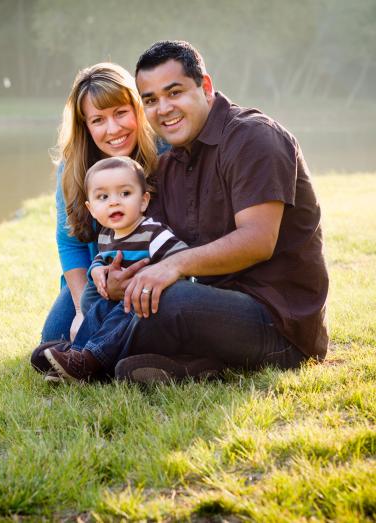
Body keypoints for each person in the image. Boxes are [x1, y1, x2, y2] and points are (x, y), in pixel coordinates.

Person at [103, 40, 329, 383]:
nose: (163, 108)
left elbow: (257, 240)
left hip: (279, 324)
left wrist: (174, 265)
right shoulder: (168, 166)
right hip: (215, 308)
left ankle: (92, 361)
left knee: (170, 301)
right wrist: (120, 279)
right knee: (139, 296)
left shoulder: (254, 138)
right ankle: (197, 367)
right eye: (150, 100)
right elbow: (152, 244)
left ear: (205, 87)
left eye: (174, 92)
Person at [42, 156, 194, 382]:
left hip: (147, 306)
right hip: (117, 300)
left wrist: (158, 276)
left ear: (143, 201)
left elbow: (183, 261)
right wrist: (96, 270)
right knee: (98, 310)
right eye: (103, 197)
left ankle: (91, 360)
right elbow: (102, 259)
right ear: (91, 209)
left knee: (123, 311)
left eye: (124, 194)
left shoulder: (153, 232)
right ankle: (76, 355)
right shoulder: (107, 235)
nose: (114, 202)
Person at [40, 62, 160, 344]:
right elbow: (70, 243)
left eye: (121, 113)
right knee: (55, 337)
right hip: (97, 279)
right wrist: (83, 309)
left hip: (151, 273)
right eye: (98, 120)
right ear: (86, 125)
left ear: (137, 109)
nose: (113, 128)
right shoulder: (72, 169)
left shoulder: (161, 155)